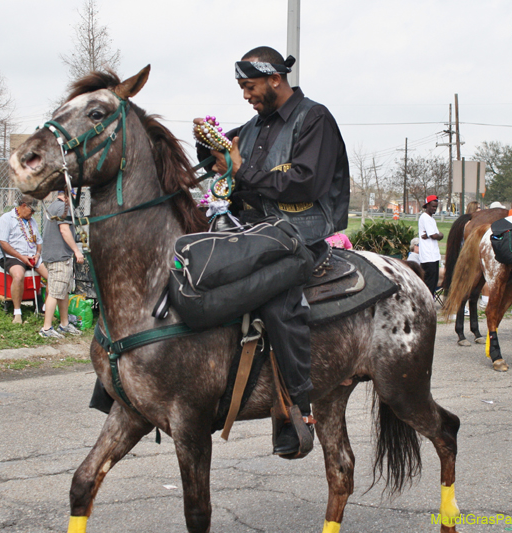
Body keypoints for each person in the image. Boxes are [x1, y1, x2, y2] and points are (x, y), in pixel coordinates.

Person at [197, 46, 350, 458]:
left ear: (275, 79)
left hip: (300, 234)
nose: (246, 95)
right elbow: (225, 163)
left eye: (250, 87)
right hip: (252, 231)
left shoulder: (315, 119)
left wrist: (240, 168)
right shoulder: (252, 127)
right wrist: (207, 147)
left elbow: (305, 182)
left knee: (278, 299)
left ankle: (297, 409)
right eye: (242, 88)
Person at [0, 195, 48, 324]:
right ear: (23, 206)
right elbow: (3, 243)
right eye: (31, 210)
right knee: (18, 276)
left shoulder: (31, 221)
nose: (33, 214)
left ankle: (45, 309)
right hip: (13, 257)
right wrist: (21, 257)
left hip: (32, 256)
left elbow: (38, 241)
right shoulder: (6, 218)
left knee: (52, 278)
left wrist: (37, 254)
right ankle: (17, 312)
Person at [39, 191, 85, 338]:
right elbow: (64, 230)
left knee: (63, 291)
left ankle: (64, 324)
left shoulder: (54, 205)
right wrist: (76, 251)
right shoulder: (63, 208)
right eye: (75, 195)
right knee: (54, 293)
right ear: (68, 194)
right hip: (59, 257)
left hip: (55, 255)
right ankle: (46, 329)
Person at [418, 195, 443, 295]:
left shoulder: (431, 219)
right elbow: (434, 235)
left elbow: (435, 235)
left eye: (436, 207)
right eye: (433, 206)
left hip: (433, 256)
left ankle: (430, 301)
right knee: (429, 285)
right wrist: (440, 235)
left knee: (433, 283)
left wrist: (438, 235)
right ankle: (427, 302)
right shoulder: (425, 218)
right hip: (428, 257)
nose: (434, 209)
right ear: (427, 205)